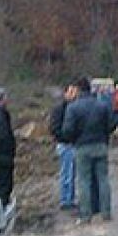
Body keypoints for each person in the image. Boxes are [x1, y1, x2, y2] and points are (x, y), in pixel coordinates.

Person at [63, 77, 114, 224]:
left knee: (84, 181)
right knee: (103, 179)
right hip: (100, 145)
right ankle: (106, 212)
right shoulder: (102, 105)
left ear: (78, 89)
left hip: (82, 147)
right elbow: (111, 124)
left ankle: (86, 215)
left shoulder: (73, 108)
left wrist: (74, 138)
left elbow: (67, 130)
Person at [48, 83, 78, 211]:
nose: (73, 94)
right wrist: (64, 137)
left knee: (72, 173)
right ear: (65, 93)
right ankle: (65, 200)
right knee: (66, 173)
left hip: (74, 144)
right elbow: (54, 128)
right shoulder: (59, 109)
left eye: (75, 92)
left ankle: (70, 198)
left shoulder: (75, 107)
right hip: (65, 145)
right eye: (71, 92)